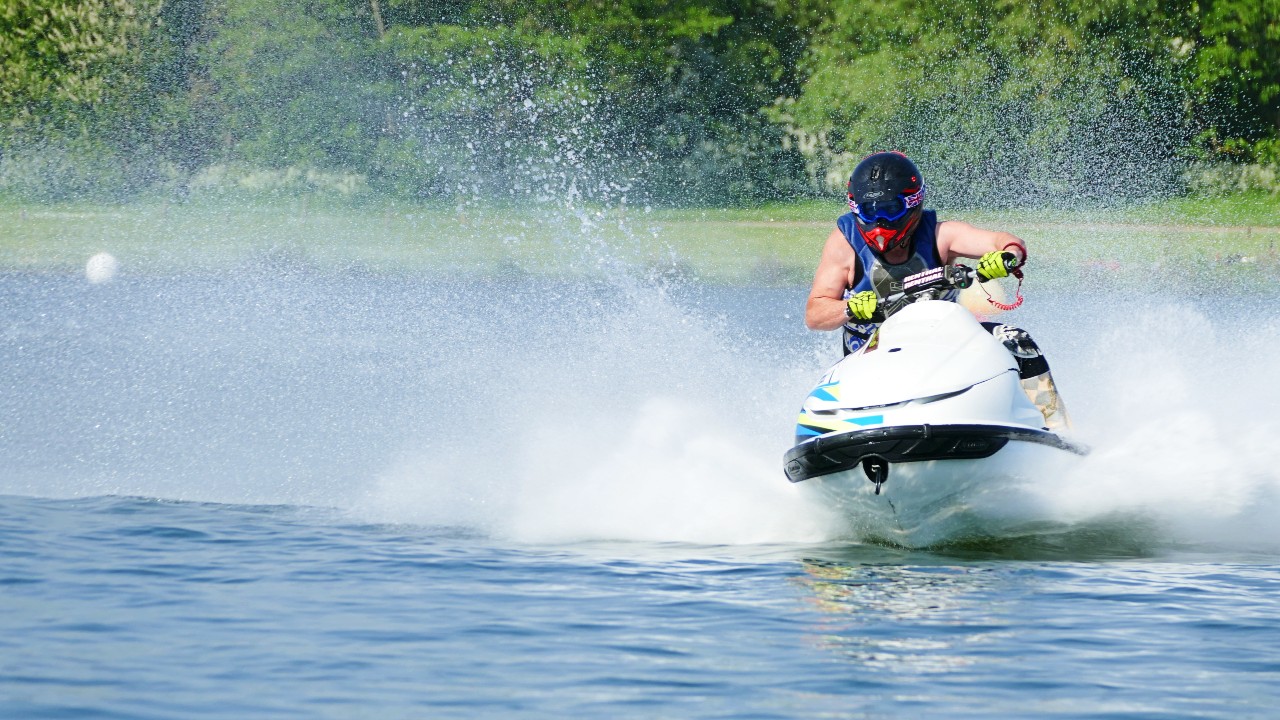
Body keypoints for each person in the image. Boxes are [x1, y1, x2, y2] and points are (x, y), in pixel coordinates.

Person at [804, 151, 1071, 431]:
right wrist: (849, 308)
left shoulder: (942, 235)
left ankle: (1056, 427)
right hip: (870, 349)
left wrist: (1007, 256)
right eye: (869, 210)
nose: (880, 221)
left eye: (890, 209)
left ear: (913, 204)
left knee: (1018, 340)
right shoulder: (843, 244)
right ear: (855, 208)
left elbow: (1004, 241)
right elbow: (815, 314)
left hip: (941, 342)